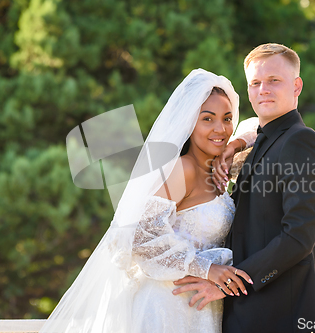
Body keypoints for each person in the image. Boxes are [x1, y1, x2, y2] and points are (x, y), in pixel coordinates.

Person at [39, 68, 253, 333]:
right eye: (207, 119)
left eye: (227, 118)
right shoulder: (181, 169)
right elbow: (138, 236)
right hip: (165, 308)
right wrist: (206, 269)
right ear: (189, 122)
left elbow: (260, 128)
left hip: (201, 309)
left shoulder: (218, 170)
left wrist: (236, 145)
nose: (220, 129)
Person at [174, 44, 315, 333]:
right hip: (240, 314)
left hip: (277, 315)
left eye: (274, 81)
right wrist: (236, 144)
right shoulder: (261, 142)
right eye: (255, 83)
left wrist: (233, 284)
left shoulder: (301, 142)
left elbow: (300, 236)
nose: (263, 90)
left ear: (296, 86)